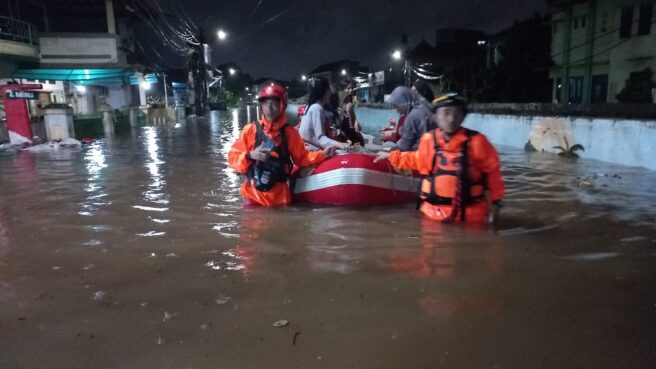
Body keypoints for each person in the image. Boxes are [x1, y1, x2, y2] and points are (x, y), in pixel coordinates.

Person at [375, 93, 505, 223]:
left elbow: (493, 172)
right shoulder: (429, 140)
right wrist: (391, 155)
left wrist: (496, 202)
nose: (451, 119)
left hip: (472, 217)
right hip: (432, 216)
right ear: (436, 117)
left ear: (463, 116)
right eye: (446, 113)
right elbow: (416, 159)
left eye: (457, 113)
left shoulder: (478, 142)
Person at [228, 84, 336, 206]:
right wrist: (250, 155)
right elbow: (233, 158)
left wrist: (323, 154)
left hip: (279, 199)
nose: (269, 106)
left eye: (274, 102)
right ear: (261, 106)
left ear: (282, 105)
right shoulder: (250, 130)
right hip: (253, 197)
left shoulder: (290, 133)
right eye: (265, 102)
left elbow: (302, 158)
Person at [298, 77, 350, 151]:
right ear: (325, 92)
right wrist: (340, 144)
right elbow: (320, 138)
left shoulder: (310, 107)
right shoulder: (317, 108)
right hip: (311, 150)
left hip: (306, 148)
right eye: (328, 89)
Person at [385, 86, 436, 151]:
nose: (396, 109)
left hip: (420, 153)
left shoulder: (413, 116)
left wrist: (390, 151)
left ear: (404, 102)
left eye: (397, 106)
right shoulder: (425, 106)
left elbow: (404, 147)